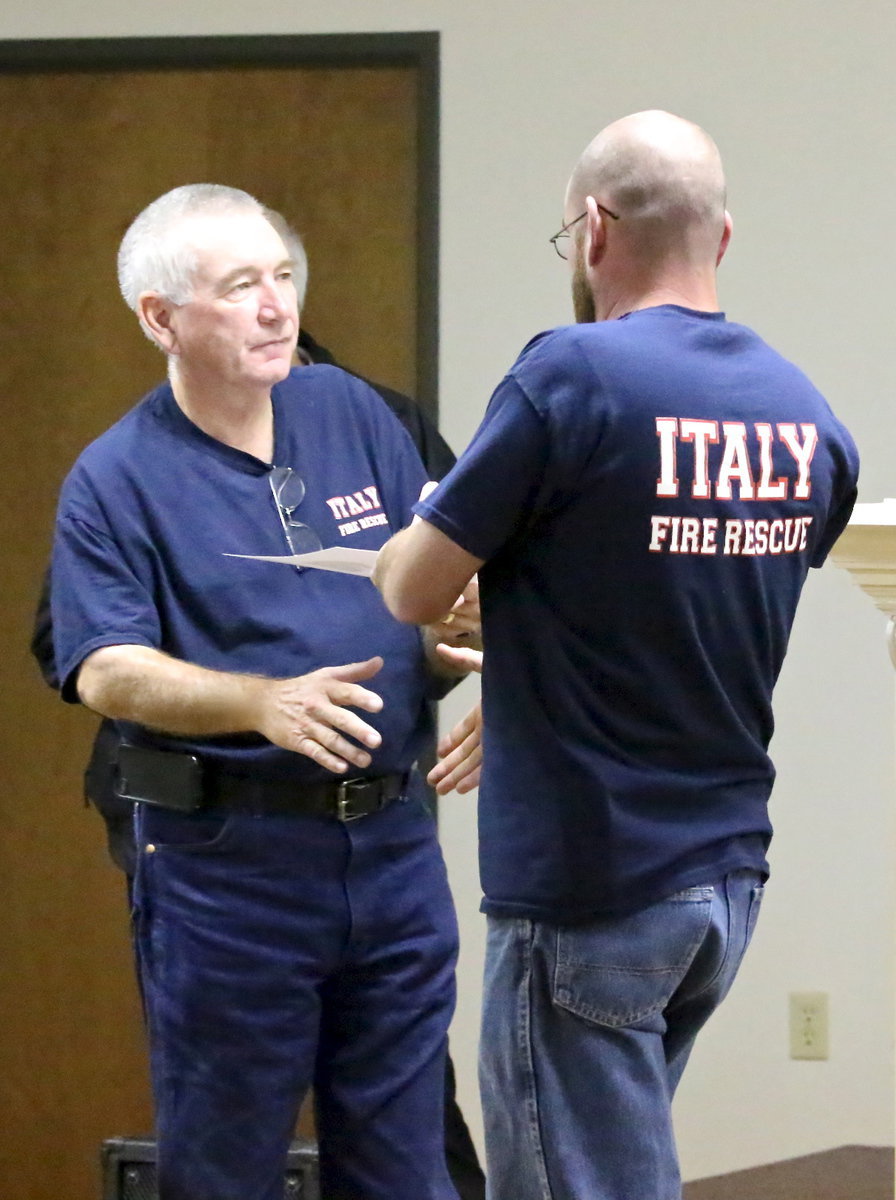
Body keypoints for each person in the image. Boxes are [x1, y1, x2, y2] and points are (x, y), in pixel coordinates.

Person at [373, 110, 860, 1200]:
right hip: (720, 880)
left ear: (592, 230)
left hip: (587, 883)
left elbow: (412, 586)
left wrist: (412, 539)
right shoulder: (803, 417)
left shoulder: (570, 377)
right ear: (720, 237)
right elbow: (678, 595)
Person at [30, 232, 484, 1195]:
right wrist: (259, 704)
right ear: (161, 319)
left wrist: (454, 641)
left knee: (410, 1169)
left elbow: (424, 595)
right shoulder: (117, 476)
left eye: (282, 277)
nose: (278, 305)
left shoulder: (353, 410)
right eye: (241, 287)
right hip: (231, 868)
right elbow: (104, 668)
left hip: (392, 849)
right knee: (227, 1168)